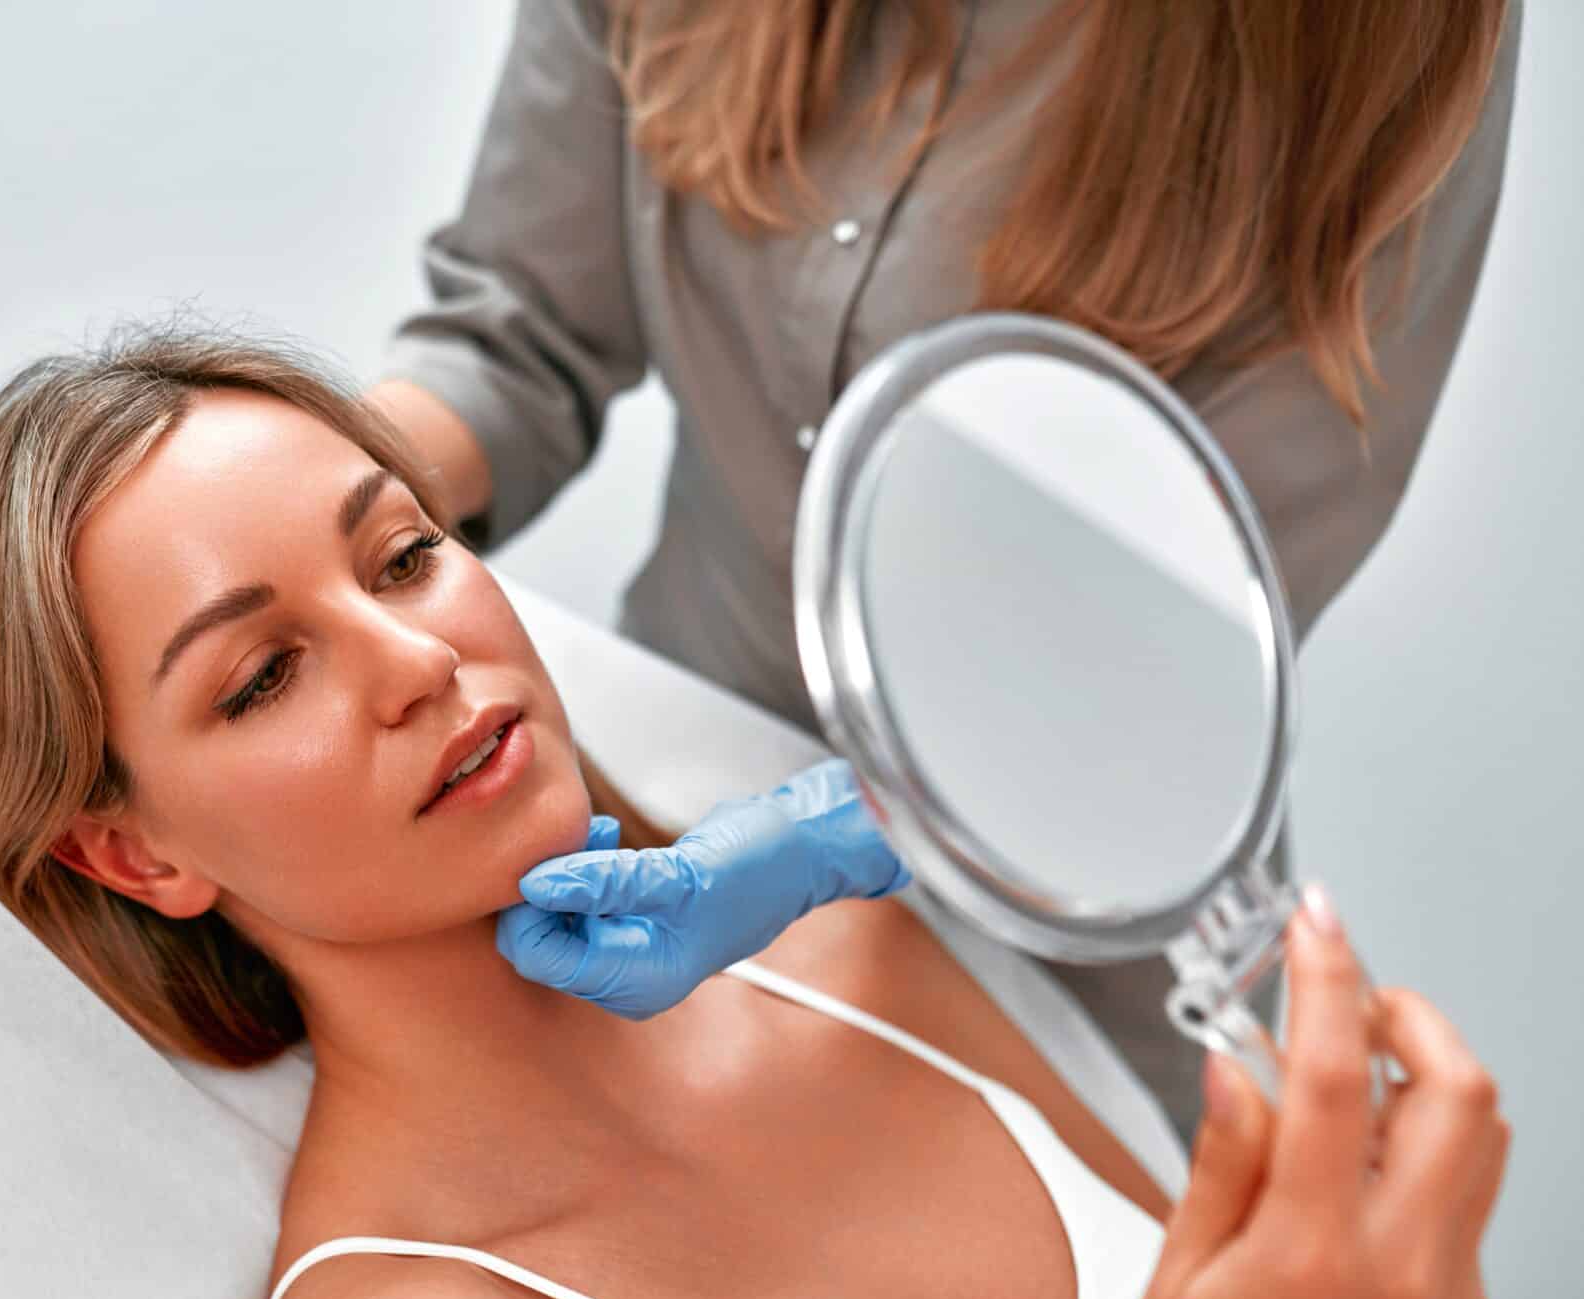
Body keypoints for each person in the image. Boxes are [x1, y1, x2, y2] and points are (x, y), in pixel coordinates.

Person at [0, 324, 1584, 1299]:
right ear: (136, 856)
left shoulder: (864, 963)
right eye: (266, 670)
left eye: (408, 551)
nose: (417, 657)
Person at [373, 0, 1524, 1139]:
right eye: (259, 677)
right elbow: (515, 337)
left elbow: (1184, 635)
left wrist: (834, 832)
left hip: (1064, 933)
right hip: (673, 776)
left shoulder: (1371, 34)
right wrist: (321, 483)